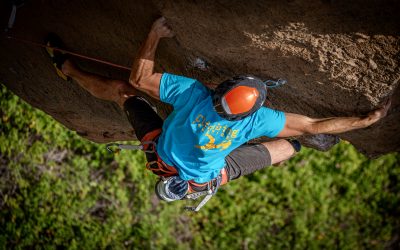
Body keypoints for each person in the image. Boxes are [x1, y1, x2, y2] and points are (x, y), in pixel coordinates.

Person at [46, 17, 391, 208]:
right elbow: (313, 124)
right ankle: (69, 69)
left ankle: (68, 69)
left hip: (167, 154)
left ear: (221, 90)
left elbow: (139, 79)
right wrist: (365, 120)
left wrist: (154, 33)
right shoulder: (260, 120)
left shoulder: (197, 95)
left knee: (125, 92)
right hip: (207, 173)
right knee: (294, 145)